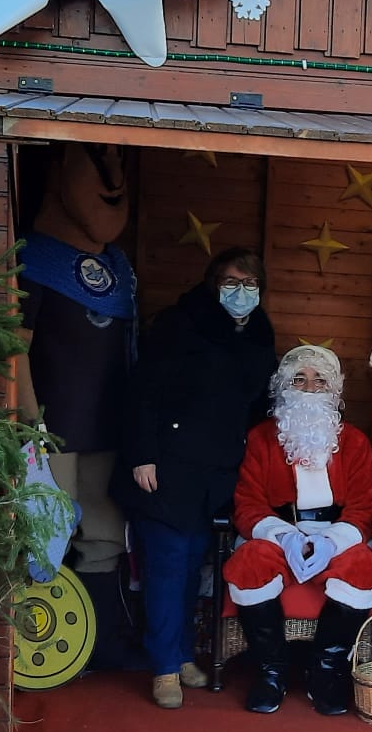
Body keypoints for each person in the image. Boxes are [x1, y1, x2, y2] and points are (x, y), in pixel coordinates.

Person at [115, 247, 277, 708]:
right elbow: (141, 391)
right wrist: (142, 454)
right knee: (166, 567)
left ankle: (182, 655)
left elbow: (256, 405)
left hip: (217, 474)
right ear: (213, 284)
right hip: (166, 465)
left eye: (250, 284)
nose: (240, 292)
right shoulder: (179, 324)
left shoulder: (259, 334)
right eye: (231, 282)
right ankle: (164, 667)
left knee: (191, 570)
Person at [16, 143, 140, 659]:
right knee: (45, 536)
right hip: (53, 433)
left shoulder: (121, 269)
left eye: (119, 161)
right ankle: (35, 649)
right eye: (97, 159)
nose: (113, 177)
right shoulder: (30, 258)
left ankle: (98, 647)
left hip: (108, 430)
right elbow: (12, 349)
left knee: (106, 538)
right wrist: (30, 423)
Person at [224, 346, 372, 715]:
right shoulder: (262, 438)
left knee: (361, 567)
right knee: (250, 561)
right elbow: (248, 503)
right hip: (279, 533)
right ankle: (271, 671)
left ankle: (326, 671)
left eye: (320, 380)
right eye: (300, 378)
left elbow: (364, 505)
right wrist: (284, 536)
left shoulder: (356, 442)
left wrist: (332, 541)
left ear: (334, 390)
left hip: (336, 534)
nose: (310, 387)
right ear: (284, 387)